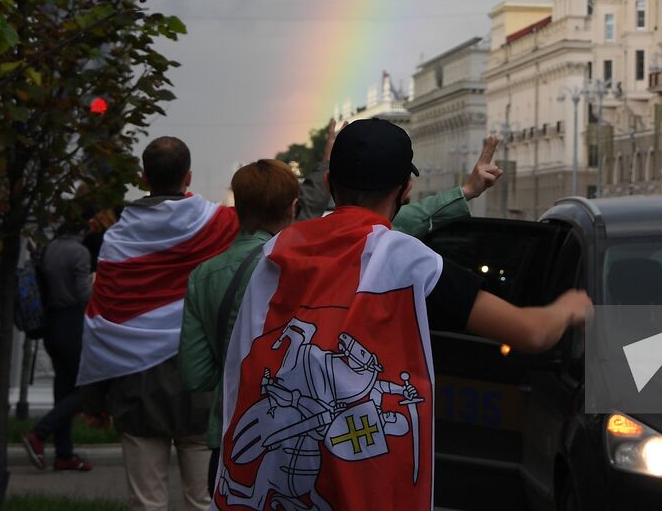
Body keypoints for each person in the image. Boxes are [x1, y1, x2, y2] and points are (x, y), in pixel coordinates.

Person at [216, 119, 590, 511]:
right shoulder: (406, 260)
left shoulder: (276, 252)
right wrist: (569, 307)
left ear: (328, 185)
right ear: (405, 189)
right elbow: (530, 333)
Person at [180, 142, 500, 491]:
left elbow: (195, 375)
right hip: (324, 462)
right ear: (293, 206)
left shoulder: (204, 276)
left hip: (234, 441)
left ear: (237, 208)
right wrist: (466, 191)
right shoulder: (327, 253)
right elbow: (396, 222)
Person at [79, 137, 240, 511]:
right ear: (188, 177)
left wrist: (93, 400)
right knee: (204, 501)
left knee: (146, 503)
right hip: (201, 392)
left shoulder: (118, 238)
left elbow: (102, 320)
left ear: (143, 176)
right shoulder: (220, 225)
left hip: (137, 393)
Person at [23, 218, 94, 473]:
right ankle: (39, 434)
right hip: (73, 323)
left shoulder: (50, 248)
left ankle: (64, 454)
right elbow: (84, 294)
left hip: (52, 324)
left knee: (63, 391)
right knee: (88, 389)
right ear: (84, 228)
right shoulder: (80, 252)